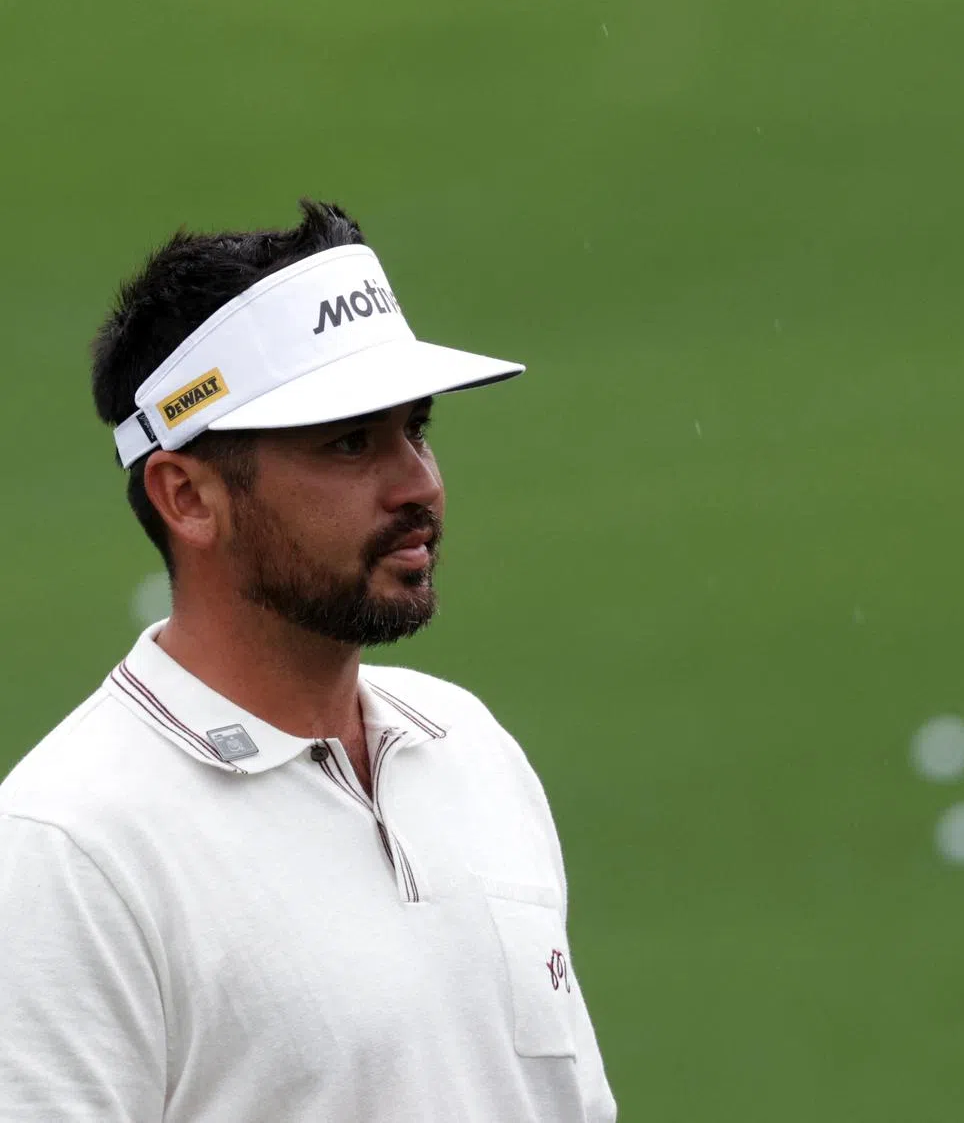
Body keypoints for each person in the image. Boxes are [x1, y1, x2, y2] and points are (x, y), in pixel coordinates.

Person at [0, 200, 617, 1122]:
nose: (419, 484)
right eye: (347, 443)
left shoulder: (472, 752)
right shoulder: (68, 851)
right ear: (188, 496)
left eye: (418, 428)